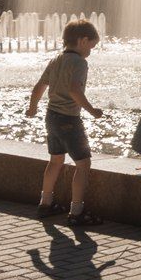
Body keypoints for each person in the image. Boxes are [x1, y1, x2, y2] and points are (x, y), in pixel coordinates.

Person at [25, 19, 104, 223]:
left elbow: (39, 87)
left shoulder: (56, 59)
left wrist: (32, 108)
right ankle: (76, 212)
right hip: (69, 119)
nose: (90, 51)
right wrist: (92, 110)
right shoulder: (79, 62)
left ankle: (45, 203)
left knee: (55, 160)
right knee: (83, 164)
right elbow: (74, 90)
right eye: (92, 46)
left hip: (51, 117)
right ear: (83, 40)